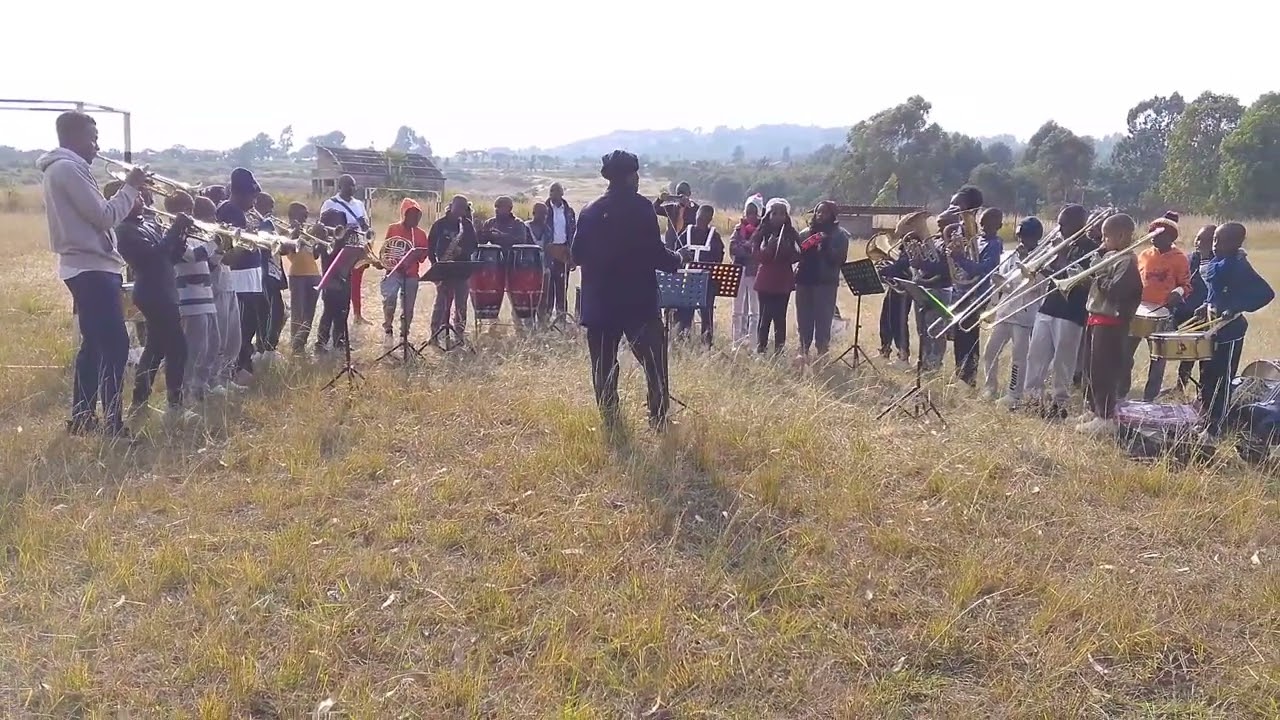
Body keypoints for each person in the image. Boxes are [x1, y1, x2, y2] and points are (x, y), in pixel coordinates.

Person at [38, 111, 147, 437]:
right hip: (92, 267)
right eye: (92, 138)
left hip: (87, 266)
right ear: (73, 137)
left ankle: (83, 416)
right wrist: (130, 188)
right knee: (116, 345)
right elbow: (104, 217)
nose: (97, 146)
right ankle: (113, 424)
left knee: (95, 345)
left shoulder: (64, 169)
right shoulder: (69, 169)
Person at [573, 150, 681, 430]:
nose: (638, 178)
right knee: (654, 365)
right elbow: (655, 253)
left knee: (603, 367)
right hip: (637, 303)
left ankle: (611, 422)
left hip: (600, 303)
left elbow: (576, 255)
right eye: (636, 174)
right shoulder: (642, 208)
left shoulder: (589, 210)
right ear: (630, 176)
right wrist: (677, 260)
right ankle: (658, 419)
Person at [109, 180, 197, 423]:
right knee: (177, 348)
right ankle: (175, 406)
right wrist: (174, 228)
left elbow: (171, 256)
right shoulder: (124, 231)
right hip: (152, 293)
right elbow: (154, 257)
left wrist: (182, 233)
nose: (143, 200)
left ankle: (140, 400)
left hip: (165, 290)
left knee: (155, 348)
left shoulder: (146, 224)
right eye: (137, 196)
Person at [1196, 222, 1274, 440]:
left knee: (1222, 378)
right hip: (1212, 327)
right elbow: (1216, 291)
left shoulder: (1239, 265)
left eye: (1222, 241)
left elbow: (1265, 293)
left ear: (1236, 243)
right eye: (1214, 239)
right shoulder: (1218, 261)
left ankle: (1216, 428)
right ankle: (1206, 418)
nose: (1215, 244)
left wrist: (1235, 307)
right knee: (1208, 375)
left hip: (1229, 331)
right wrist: (1206, 304)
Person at [1022, 204, 1097, 419]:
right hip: (1048, 306)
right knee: (1035, 356)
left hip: (1071, 312)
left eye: (1064, 224)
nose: (1059, 228)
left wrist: (1062, 256)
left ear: (1079, 224)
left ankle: (1059, 403)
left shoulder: (1092, 249)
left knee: (1063, 361)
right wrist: (1042, 265)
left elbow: (1077, 279)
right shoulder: (1060, 244)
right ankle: (1032, 399)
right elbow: (1053, 274)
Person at [1077, 214, 1143, 435]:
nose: (1103, 241)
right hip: (1096, 318)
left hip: (1111, 322)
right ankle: (1095, 410)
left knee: (1103, 370)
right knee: (1090, 368)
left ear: (1122, 236)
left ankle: (1105, 418)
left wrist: (1098, 274)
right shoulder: (1111, 257)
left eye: (1106, 236)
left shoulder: (1127, 261)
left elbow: (1116, 291)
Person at [1120, 216, 1191, 402]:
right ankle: (1121, 394)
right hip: (1139, 311)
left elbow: (1186, 285)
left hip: (1162, 314)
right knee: (1125, 354)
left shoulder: (1180, 258)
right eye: (1152, 233)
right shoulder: (1144, 255)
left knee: (1158, 360)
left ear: (1170, 237)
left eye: (1158, 234)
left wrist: (1178, 293)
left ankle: (1149, 400)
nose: (1153, 237)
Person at [164, 191, 221, 402]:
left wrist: (222, 249)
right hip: (190, 299)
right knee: (193, 349)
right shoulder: (174, 234)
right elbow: (192, 256)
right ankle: (184, 392)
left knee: (213, 345)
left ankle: (200, 386)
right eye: (188, 210)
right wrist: (215, 242)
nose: (191, 214)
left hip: (206, 298)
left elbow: (209, 265)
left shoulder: (196, 235)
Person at [983, 218, 1044, 405]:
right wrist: (1000, 285)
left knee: (1019, 358)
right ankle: (990, 387)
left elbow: (1039, 287)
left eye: (1026, 237)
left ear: (1036, 238)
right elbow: (1004, 280)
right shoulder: (1010, 255)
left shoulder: (1043, 256)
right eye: (1020, 237)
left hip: (1024, 315)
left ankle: (1014, 394)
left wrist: (1026, 262)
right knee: (990, 352)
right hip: (1005, 311)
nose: (1022, 241)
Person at [216, 168, 266, 383]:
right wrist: (250, 240)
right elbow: (229, 254)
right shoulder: (229, 211)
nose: (254, 202)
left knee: (251, 323)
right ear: (238, 193)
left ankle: (244, 364)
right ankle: (236, 369)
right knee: (241, 328)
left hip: (251, 276)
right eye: (251, 197)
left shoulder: (243, 211)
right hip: (238, 278)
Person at [947, 207, 1004, 387]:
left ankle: (969, 378)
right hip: (963, 292)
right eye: (982, 222)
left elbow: (983, 270)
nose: (983, 226)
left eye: (988, 223)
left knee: (969, 336)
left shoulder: (995, 245)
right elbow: (966, 265)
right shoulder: (977, 240)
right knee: (959, 335)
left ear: (999, 225)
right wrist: (957, 252)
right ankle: (960, 374)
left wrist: (959, 258)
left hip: (977, 294)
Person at [196, 196, 244, 394]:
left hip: (228, 285)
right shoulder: (198, 239)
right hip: (215, 289)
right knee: (219, 339)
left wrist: (233, 244)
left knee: (234, 339)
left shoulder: (212, 234)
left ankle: (225, 376)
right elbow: (209, 263)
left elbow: (230, 260)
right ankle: (213, 380)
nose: (214, 220)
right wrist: (220, 244)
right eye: (210, 216)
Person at [794, 200, 851, 360]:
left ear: (832, 215)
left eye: (824, 212)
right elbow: (796, 254)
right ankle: (803, 349)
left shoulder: (840, 235)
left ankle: (822, 351)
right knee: (803, 317)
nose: (820, 215)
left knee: (823, 318)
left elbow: (840, 259)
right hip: (804, 280)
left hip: (825, 283)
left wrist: (826, 246)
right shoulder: (805, 233)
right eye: (818, 212)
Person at [320, 175, 373, 324]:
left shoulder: (359, 204)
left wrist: (364, 226)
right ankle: (329, 327)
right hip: (336, 252)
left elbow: (366, 229)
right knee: (333, 292)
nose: (352, 188)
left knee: (350, 288)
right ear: (340, 187)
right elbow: (324, 229)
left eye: (353, 185)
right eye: (349, 185)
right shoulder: (330, 204)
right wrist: (345, 231)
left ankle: (348, 323)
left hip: (355, 250)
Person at [752, 198, 801, 356]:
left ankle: (779, 352)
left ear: (786, 216)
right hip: (765, 279)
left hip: (783, 280)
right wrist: (769, 249)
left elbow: (799, 254)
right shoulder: (761, 233)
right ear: (768, 215)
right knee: (764, 316)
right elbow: (756, 256)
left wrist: (787, 251)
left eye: (782, 213)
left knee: (780, 317)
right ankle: (761, 349)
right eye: (775, 213)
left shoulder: (791, 234)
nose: (778, 217)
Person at [426, 195, 479, 338]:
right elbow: (430, 248)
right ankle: (435, 333)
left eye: (463, 209)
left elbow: (474, 245)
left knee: (461, 304)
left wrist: (462, 250)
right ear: (451, 206)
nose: (460, 211)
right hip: (444, 269)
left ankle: (459, 333)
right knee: (441, 304)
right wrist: (435, 267)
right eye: (458, 208)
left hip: (462, 269)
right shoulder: (439, 224)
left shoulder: (466, 225)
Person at [380, 197, 430, 346]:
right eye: (412, 215)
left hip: (411, 274)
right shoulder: (393, 228)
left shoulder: (421, 234)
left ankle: (404, 335)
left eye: (418, 216)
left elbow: (422, 258)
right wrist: (390, 263)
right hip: (393, 271)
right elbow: (386, 249)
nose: (415, 219)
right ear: (404, 214)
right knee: (389, 300)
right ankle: (388, 330)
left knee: (408, 307)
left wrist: (416, 254)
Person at [674, 204, 725, 346]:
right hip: (687, 281)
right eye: (699, 218)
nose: (701, 221)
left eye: (704, 219)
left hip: (707, 283)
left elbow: (719, 257)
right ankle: (683, 342)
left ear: (709, 220)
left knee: (706, 313)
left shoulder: (714, 237)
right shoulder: (686, 233)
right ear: (696, 216)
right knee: (685, 313)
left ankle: (706, 343)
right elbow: (676, 252)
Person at [1173, 225, 1215, 393]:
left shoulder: (1217, 262)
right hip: (1187, 312)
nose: (1198, 242)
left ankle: (1203, 390)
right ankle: (1180, 386)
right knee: (1188, 353)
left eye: (1203, 240)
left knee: (1206, 354)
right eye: (1197, 238)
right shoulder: (1190, 259)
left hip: (1209, 315)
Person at [278, 202, 321, 354]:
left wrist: (318, 239)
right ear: (292, 215)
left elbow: (315, 255)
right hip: (297, 276)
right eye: (303, 216)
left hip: (314, 275)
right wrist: (296, 233)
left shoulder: (307, 231)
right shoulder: (285, 232)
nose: (305, 219)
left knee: (310, 313)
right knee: (298, 312)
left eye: (306, 216)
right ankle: (295, 345)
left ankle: (302, 342)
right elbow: (288, 249)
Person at [314, 209, 355, 352]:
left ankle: (339, 340)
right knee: (329, 311)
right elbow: (325, 254)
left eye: (341, 222)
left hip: (345, 277)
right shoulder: (324, 240)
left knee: (344, 310)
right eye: (335, 222)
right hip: (330, 279)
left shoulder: (344, 239)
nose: (339, 225)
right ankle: (321, 342)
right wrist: (340, 239)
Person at [254, 192, 288, 361]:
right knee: (269, 314)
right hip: (265, 275)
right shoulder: (261, 223)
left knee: (279, 312)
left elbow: (283, 250)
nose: (272, 210)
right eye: (270, 205)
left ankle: (269, 348)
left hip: (274, 274)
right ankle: (265, 350)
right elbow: (266, 246)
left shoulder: (268, 223)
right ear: (258, 205)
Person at [729, 196, 762, 347]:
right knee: (737, 311)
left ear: (759, 213)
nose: (751, 216)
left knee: (754, 311)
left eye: (754, 213)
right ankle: (736, 342)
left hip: (754, 272)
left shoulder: (762, 231)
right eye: (748, 212)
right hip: (739, 271)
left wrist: (746, 248)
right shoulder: (738, 229)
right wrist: (748, 248)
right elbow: (733, 249)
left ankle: (753, 343)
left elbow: (759, 252)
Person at [544, 183, 576, 323]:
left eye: (557, 191)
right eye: (551, 191)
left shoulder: (568, 211)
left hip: (563, 252)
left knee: (562, 288)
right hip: (549, 252)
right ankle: (546, 320)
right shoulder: (544, 209)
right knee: (548, 289)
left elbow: (573, 233)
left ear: (562, 193)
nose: (553, 193)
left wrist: (572, 255)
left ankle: (561, 320)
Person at [654, 181, 699, 251]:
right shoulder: (671, 208)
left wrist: (690, 204)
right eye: (679, 194)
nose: (681, 196)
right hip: (670, 247)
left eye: (684, 193)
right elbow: (654, 209)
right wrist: (660, 200)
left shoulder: (695, 209)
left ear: (689, 194)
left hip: (686, 247)